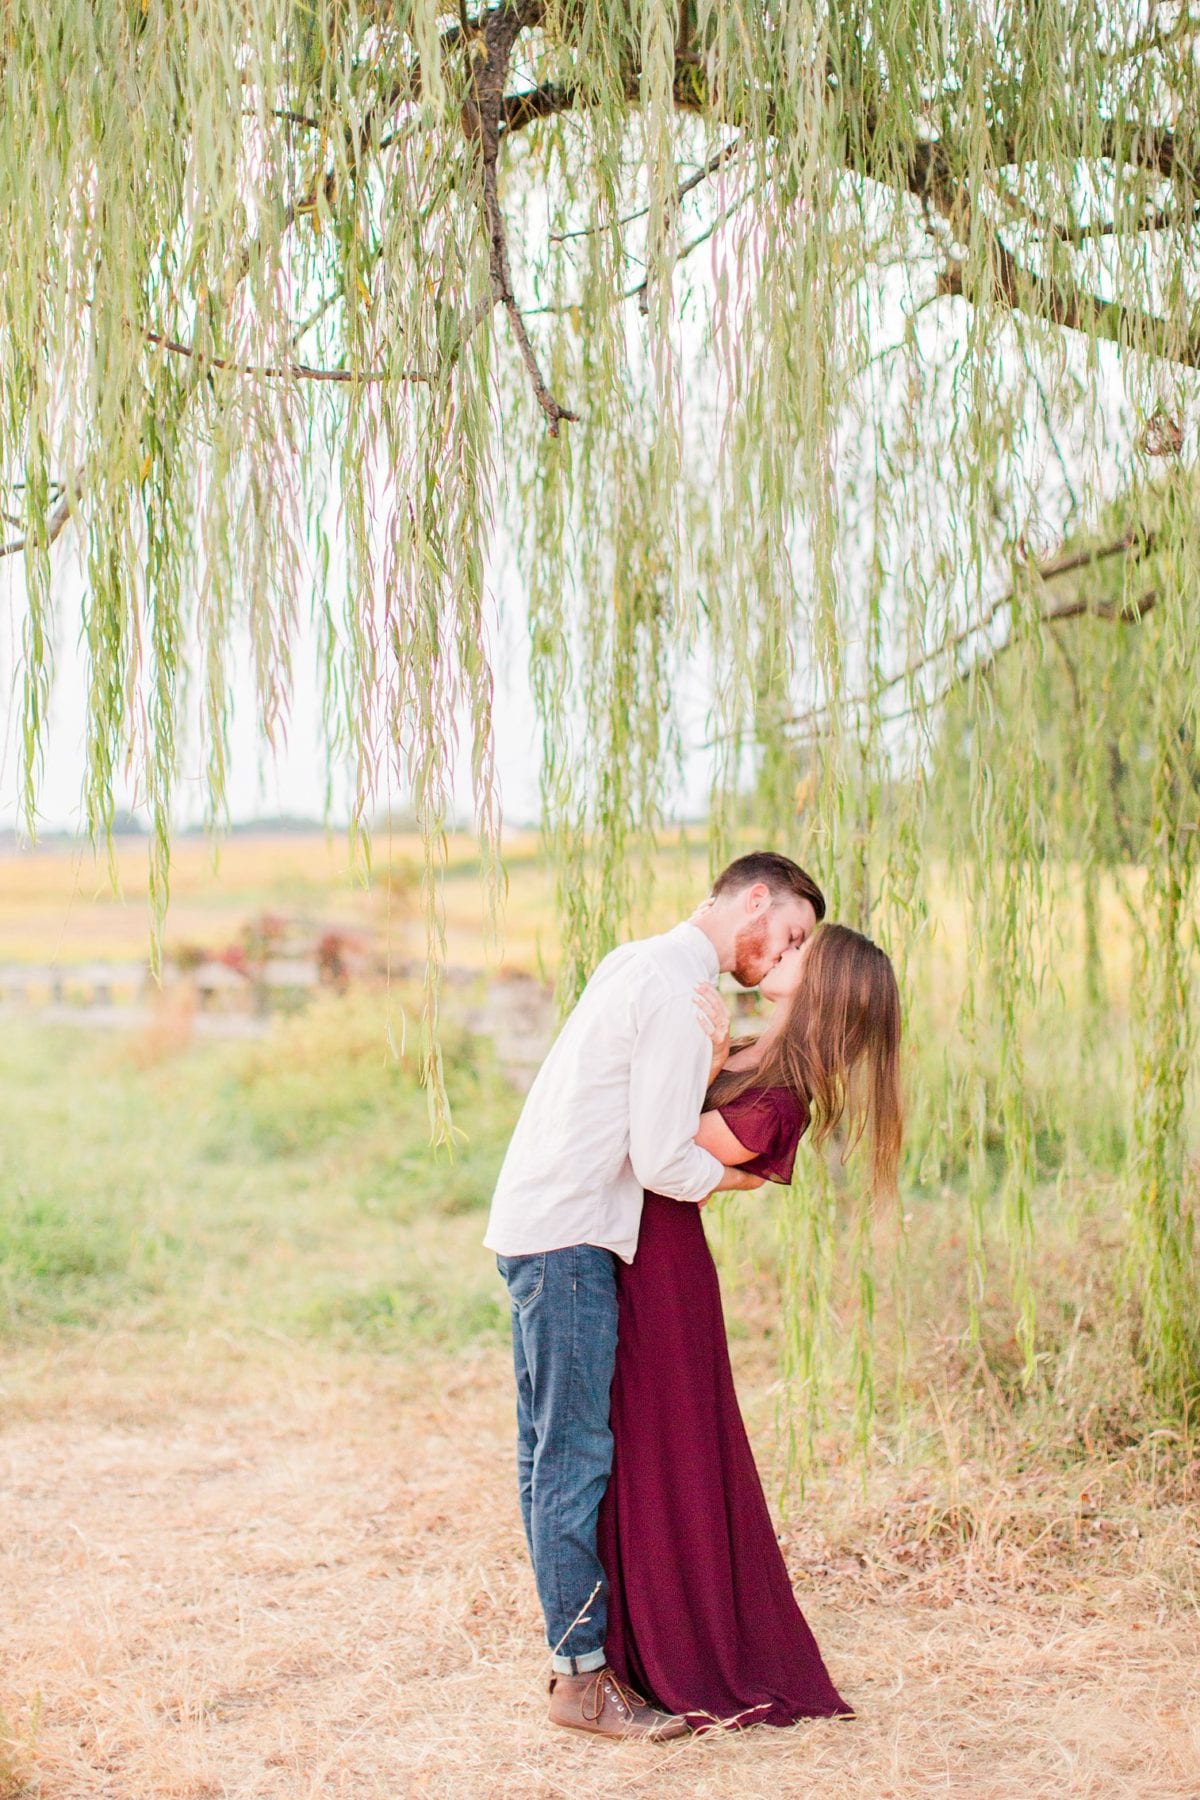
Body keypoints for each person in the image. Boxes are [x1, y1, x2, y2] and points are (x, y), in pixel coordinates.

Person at [484, 852, 825, 1741]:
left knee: (546, 1455)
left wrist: (708, 1059)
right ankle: (582, 1681)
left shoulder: (634, 960)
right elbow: (662, 1159)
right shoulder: (677, 995)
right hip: (574, 1237)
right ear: (756, 899)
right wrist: (748, 1182)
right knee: (572, 1461)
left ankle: (575, 1659)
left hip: (533, 1225)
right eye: (788, 934)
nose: (779, 955)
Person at [599, 922, 904, 1728]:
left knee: (665, 1444)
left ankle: (682, 1648)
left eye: (801, 951)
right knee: (624, 1441)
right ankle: (632, 1635)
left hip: (659, 1269)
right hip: (626, 1244)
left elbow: (656, 1151)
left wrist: (691, 1070)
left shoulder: (780, 1091)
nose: (782, 952)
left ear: (824, 987)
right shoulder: (742, 1053)